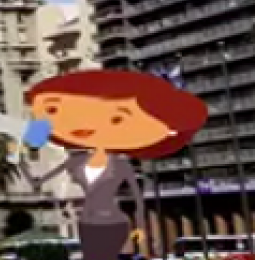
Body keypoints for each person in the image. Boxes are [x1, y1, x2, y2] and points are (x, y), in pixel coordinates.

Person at [20, 70, 208, 260]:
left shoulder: (120, 164)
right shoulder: (75, 160)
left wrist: (141, 227)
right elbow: (37, 183)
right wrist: (19, 161)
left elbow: (137, 199)